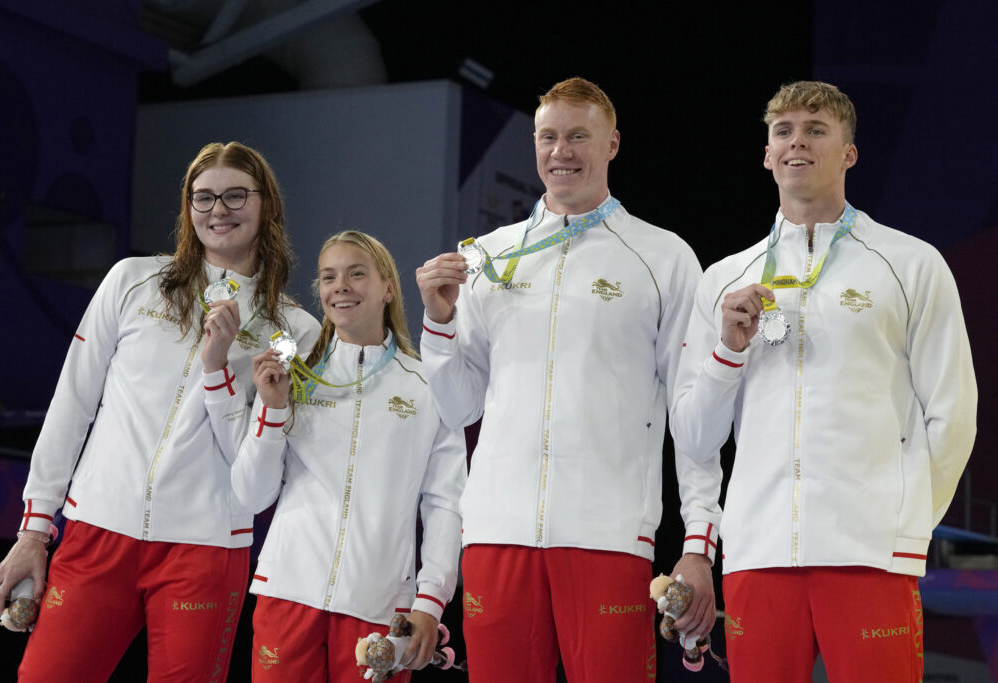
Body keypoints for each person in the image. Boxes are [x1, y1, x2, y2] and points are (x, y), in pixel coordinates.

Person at [415, 76, 723, 681]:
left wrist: (698, 543)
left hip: (606, 536)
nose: (562, 152)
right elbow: (457, 408)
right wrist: (438, 319)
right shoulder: (489, 257)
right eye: (549, 136)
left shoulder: (662, 259)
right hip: (496, 535)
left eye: (579, 136)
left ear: (612, 143)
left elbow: (694, 418)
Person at [671, 81, 977, 681]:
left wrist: (905, 520)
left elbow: (953, 409)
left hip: (871, 553)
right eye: (782, 132)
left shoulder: (911, 264)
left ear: (849, 153)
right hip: (758, 553)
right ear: (766, 154)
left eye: (816, 130)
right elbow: (694, 435)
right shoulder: (723, 280)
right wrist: (727, 354)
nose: (796, 143)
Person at [0, 141, 319, 681]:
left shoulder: (293, 332)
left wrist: (218, 369)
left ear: (268, 206)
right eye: (203, 197)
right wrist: (33, 531)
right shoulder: (132, 281)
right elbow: (71, 404)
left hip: (206, 553)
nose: (219, 209)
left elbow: (255, 480)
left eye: (236, 195)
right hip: (98, 532)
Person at [232, 230, 466, 682]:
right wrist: (273, 411)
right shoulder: (291, 377)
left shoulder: (426, 386)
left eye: (357, 273)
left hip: (379, 606)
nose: (340, 285)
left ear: (389, 289)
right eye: (328, 276)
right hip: (287, 594)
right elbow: (251, 496)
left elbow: (445, 503)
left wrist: (430, 601)